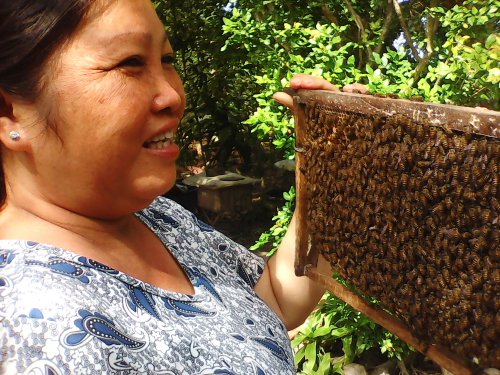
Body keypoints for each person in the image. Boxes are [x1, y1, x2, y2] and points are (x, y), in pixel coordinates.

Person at [0, 0, 366, 374]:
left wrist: (335, 171)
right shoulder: (31, 330)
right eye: (130, 63)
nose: (174, 96)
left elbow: (272, 300)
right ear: (9, 111)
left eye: (167, 60)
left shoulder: (157, 217)